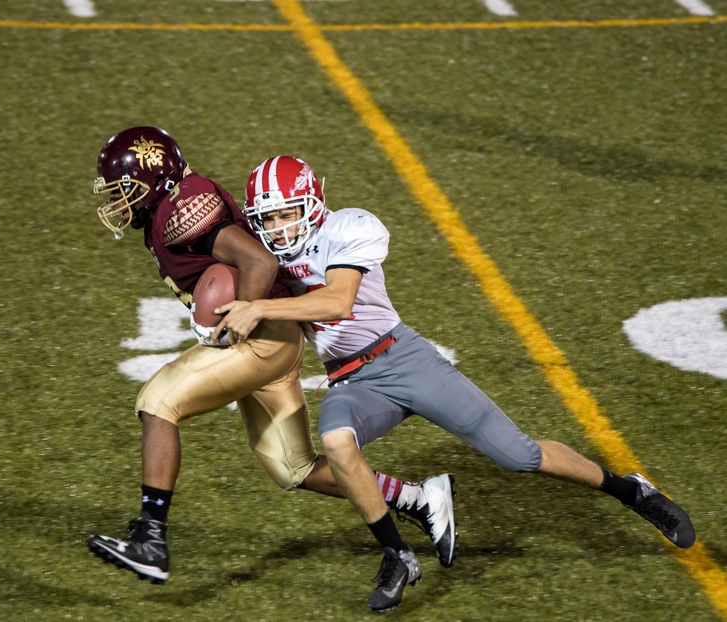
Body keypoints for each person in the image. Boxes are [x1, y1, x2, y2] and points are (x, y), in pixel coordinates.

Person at [216, 154, 696, 613]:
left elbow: (339, 301)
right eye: (269, 219)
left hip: (401, 357)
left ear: (314, 203)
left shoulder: (347, 226)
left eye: (287, 215)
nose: (279, 229)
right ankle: (396, 553)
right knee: (337, 443)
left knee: (519, 455)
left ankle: (631, 491)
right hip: (352, 379)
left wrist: (260, 306)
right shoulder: (269, 261)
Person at [85, 127, 457, 585]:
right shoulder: (173, 204)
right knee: (292, 467)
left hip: (261, 341)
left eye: (127, 190)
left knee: (158, 402)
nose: (120, 203)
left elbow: (260, 263)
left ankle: (151, 538)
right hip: (274, 342)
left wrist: (237, 320)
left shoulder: (181, 210)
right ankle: (420, 500)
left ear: (155, 179)